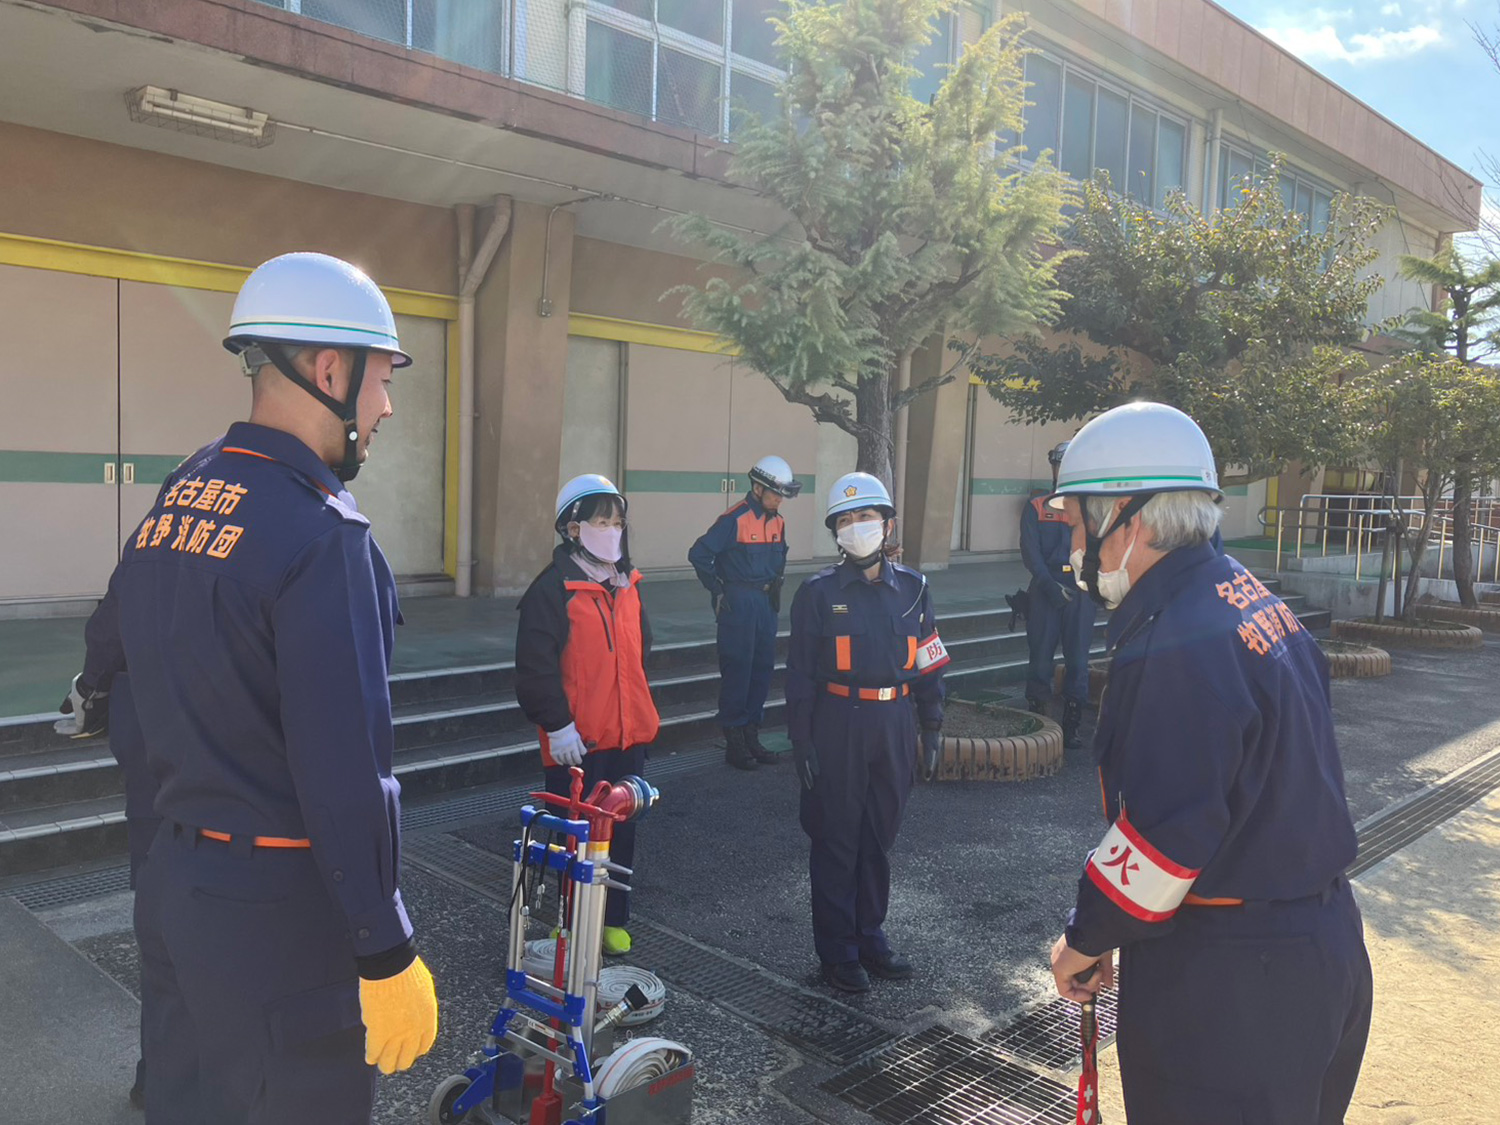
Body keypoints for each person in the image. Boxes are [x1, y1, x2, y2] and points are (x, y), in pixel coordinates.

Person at [112, 252, 438, 1125]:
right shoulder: (323, 536)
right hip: (279, 917)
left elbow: (116, 663)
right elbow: (344, 768)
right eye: (381, 378)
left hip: (176, 881)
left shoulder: (183, 493)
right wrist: (384, 945)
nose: (386, 406)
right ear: (330, 371)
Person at [1045, 402, 1372, 1124]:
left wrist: (1086, 935)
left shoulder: (1180, 642)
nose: (1072, 544)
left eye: (1076, 522)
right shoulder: (1248, 599)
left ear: (1126, 518)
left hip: (1232, 982)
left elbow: (1167, 836)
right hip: (1317, 946)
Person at [785, 472, 947, 993]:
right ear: (835, 531)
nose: (857, 527)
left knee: (879, 837)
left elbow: (928, 659)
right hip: (839, 723)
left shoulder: (915, 588)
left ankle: (870, 936)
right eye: (847, 520)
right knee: (837, 838)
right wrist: (801, 739)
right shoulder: (818, 593)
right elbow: (800, 673)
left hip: (894, 723)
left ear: (887, 524)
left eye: (867, 517)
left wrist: (932, 723)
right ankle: (838, 951)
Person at [516, 474, 661, 957]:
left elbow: (640, 654)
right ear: (573, 528)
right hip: (577, 744)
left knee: (622, 834)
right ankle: (570, 923)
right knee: (573, 839)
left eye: (617, 522)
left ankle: (612, 919)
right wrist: (557, 724)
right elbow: (534, 668)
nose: (612, 531)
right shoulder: (552, 590)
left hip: (627, 737)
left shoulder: (628, 583)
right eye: (602, 522)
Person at [687, 455, 800, 770]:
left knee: (762, 670)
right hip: (738, 602)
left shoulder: (778, 521)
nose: (779, 499)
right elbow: (699, 554)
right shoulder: (733, 519)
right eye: (775, 493)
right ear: (757, 488)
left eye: (783, 494)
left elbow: (779, 560)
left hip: (765, 603)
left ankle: (752, 734)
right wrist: (717, 590)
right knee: (738, 670)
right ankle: (734, 740)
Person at [1019, 441, 1093, 749]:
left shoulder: (1092, 508)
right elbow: (1030, 552)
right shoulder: (1037, 506)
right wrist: (1050, 587)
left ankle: (1072, 726)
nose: (1062, 470)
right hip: (1044, 589)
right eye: (1058, 464)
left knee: (1078, 661)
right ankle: (1039, 723)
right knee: (1040, 659)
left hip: (1081, 590)